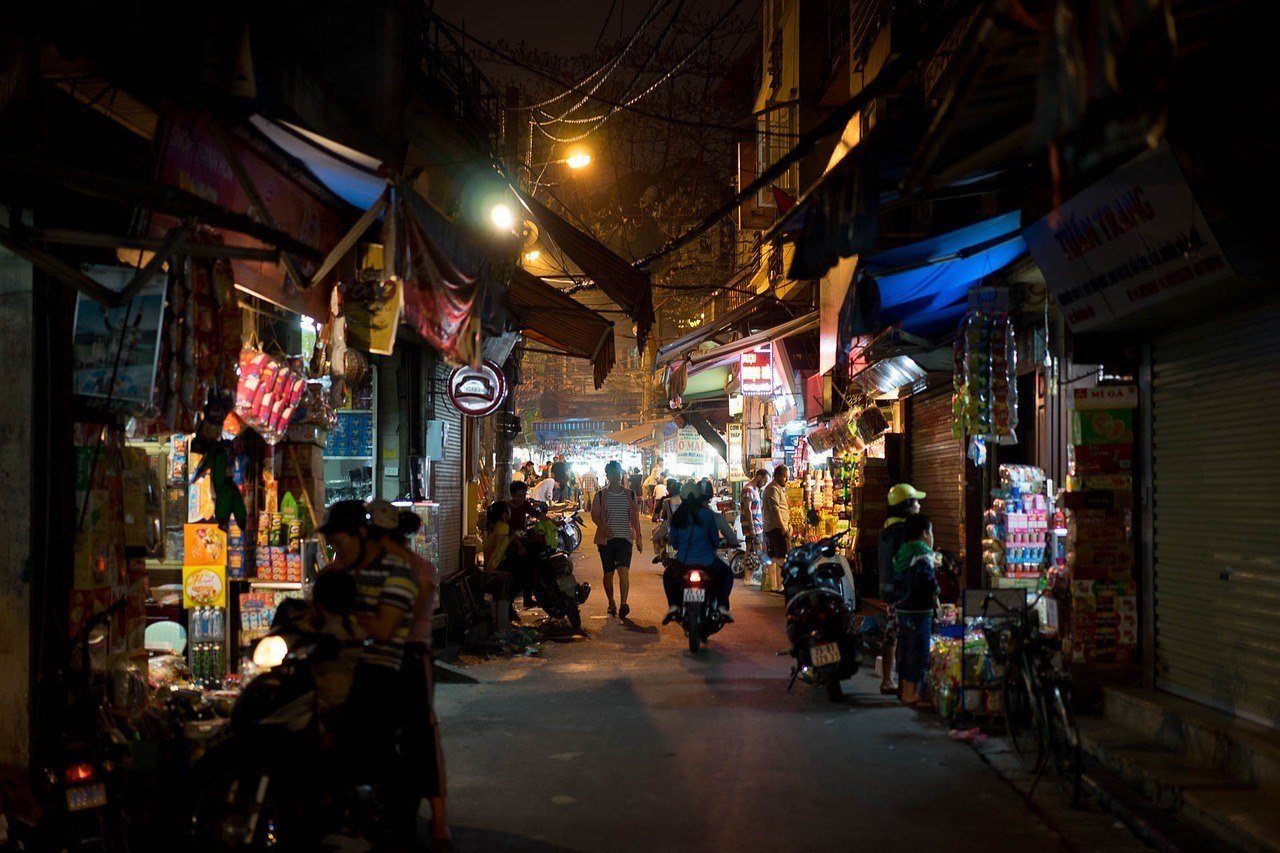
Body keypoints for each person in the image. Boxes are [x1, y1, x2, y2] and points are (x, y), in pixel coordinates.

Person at [318, 500, 420, 845]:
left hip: (378, 670)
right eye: (331, 546)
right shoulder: (338, 573)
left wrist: (343, 617)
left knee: (368, 741)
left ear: (361, 535)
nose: (335, 551)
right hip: (336, 667)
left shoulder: (398, 573)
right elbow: (317, 611)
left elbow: (384, 629)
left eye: (339, 543)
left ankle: (384, 821)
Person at [367, 500, 449, 848]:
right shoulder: (395, 566)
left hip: (410, 657)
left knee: (422, 739)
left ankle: (440, 821)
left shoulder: (415, 570)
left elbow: (408, 616)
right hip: (385, 657)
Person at [876, 483, 926, 695]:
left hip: (890, 590)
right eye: (915, 501)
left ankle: (891, 679)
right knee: (899, 635)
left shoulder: (888, 528)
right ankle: (895, 682)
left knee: (893, 633)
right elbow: (906, 562)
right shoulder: (904, 532)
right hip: (902, 591)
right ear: (906, 506)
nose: (919, 505)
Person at [662, 481, 733, 623]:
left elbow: (673, 540)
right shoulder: (707, 515)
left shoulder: (678, 516)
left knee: (668, 576)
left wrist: (678, 546)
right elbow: (714, 538)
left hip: (682, 561)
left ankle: (674, 605)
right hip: (708, 561)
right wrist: (716, 544)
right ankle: (722, 606)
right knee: (727, 574)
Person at [893, 513, 939, 708]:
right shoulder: (921, 551)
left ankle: (904, 689)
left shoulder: (904, 550)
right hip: (919, 609)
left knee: (905, 648)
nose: (932, 536)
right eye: (931, 531)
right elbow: (926, 580)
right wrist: (937, 590)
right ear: (924, 533)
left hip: (903, 607)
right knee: (918, 651)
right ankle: (911, 693)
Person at [591, 460, 643, 618]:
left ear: (622, 474)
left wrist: (639, 537)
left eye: (617, 473)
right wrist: (602, 527)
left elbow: (634, 517)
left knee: (623, 571)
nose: (615, 476)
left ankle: (623, 604)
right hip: (606, 540)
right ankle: (611, 602)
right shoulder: (600, 495)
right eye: (611, 473)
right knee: (608, 574)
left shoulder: (630, 495)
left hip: (625, 539)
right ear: (607, 475)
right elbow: (595, 515)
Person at [762, 465, 791, 562]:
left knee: (776, 559)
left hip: (777, 529)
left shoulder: (777, 488)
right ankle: (781, 577)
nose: (787, 479)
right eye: (784, 476)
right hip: (776, 529)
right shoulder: (773, 489)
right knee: (781, 559)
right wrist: (783, 528)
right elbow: (775, 510)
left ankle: (776, 577)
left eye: (787, 476)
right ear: (777, 476)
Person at [740, 468, 768, 565]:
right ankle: (748, 577)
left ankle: (750, 576)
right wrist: (751, 528)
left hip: (757, 525)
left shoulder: (755, 489)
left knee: (753, 550)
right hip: (753, 526)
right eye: (765, 480)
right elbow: (747, 510)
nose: (764, 483)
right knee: (752, 550)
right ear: (759, 477)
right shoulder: (748, 489)